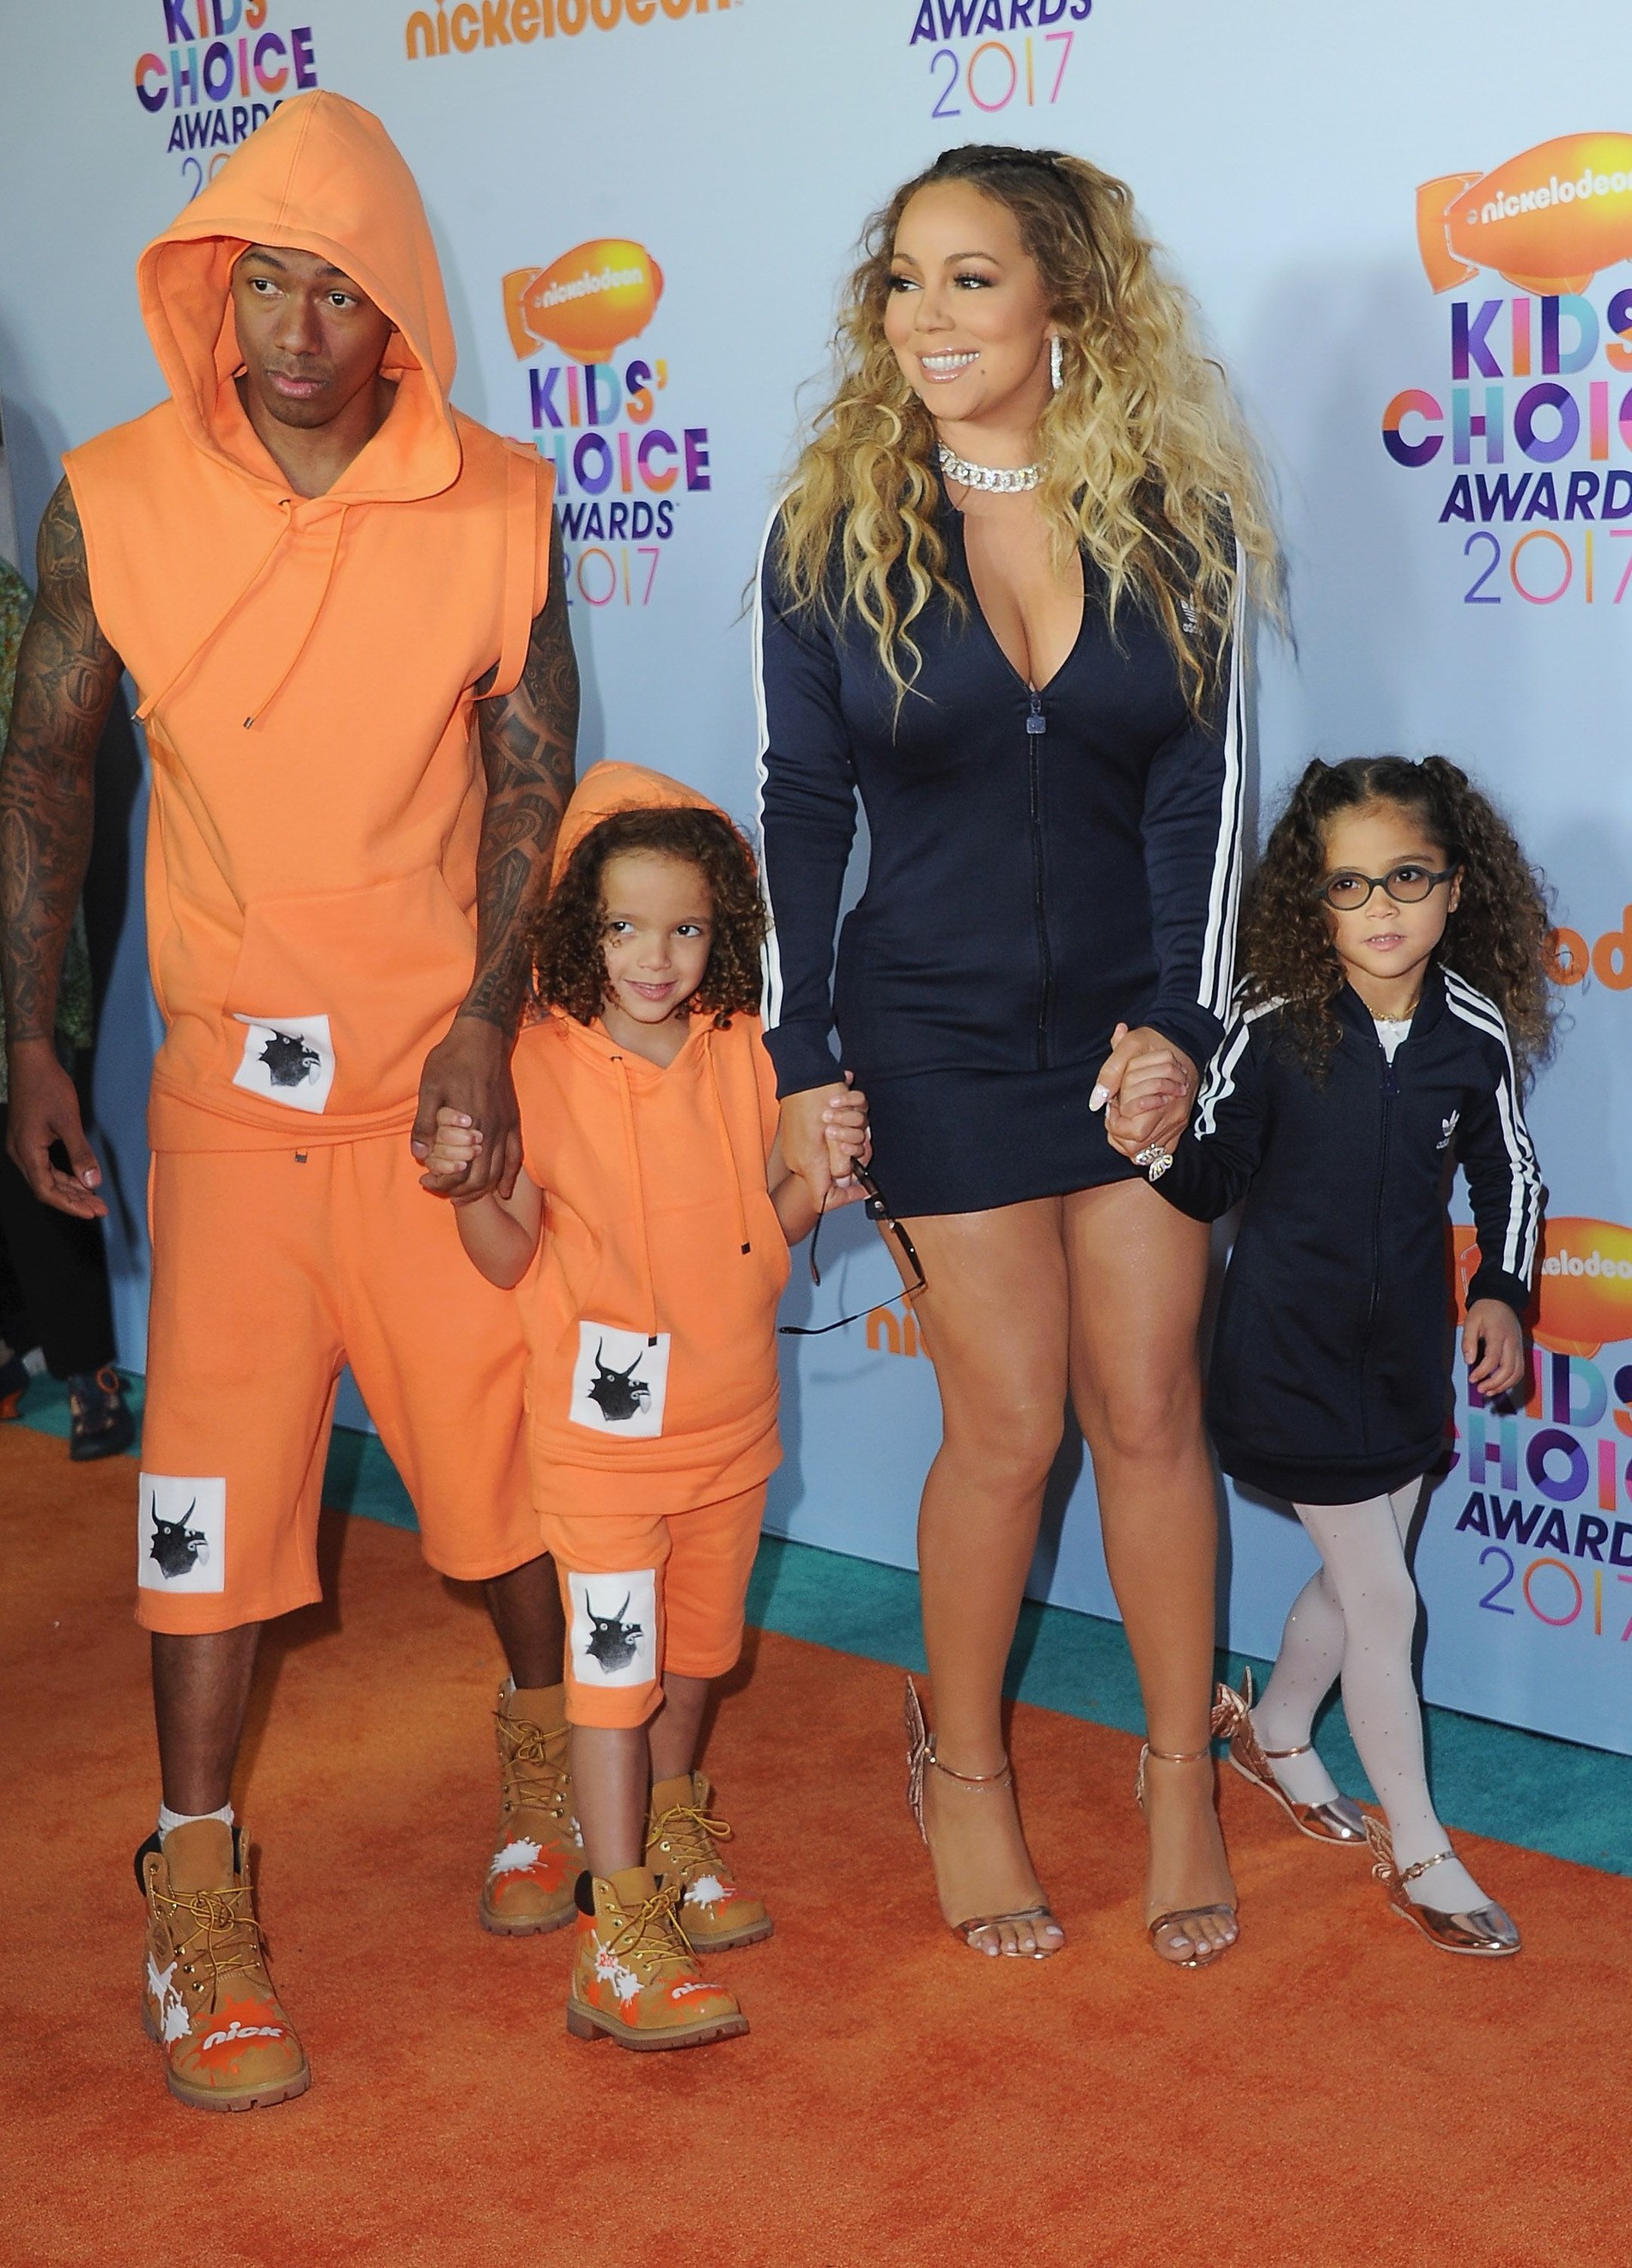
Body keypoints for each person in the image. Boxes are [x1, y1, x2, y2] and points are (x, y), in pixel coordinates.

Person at [0, 94, 581, 2111]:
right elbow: (46, 768)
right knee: (206, 1503)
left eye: (339, 288)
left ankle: (549, 1755)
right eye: (263, 284)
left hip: (436, 1099)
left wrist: (492, 1024)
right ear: (211, 291)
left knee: (499, 1477)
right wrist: (29, 1034)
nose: (300, 329)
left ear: (397, 301)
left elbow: (532, 781)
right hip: (229, 1112)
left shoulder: (500, 502)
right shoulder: (111, 499)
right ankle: (194, 1887)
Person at [756, 143, 1276, 1966]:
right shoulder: (832, 532)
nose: (925, 317)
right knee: (1004, 1424)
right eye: (902, 280)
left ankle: (1177, 1774)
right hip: (933, 1038)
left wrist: (1182, 1028)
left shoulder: (1172, 523)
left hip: (1131, 1031)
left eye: (969, 278)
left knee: (1148, 1410)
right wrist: (799, 1057)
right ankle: (963, 1768)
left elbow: (1206, 796)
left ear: (1067, 298)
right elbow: (800, 807)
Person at [424, 761, 870, 2049]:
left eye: (686, 929)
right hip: (600, 1451)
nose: (656, 959)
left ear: (723, 930)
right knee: (613, 1679)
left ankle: (672, 1827)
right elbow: (508, 1256)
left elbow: (762, 1234)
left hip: (732, 1433)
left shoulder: (749, 1054)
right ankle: (613, 1927)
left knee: (696, 1657)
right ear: (579, 927)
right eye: (624, 927)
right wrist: (467, 1186)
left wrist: (820, 1181)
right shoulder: (530, 1061)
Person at [1143, 755, 1550, 1957]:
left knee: (1361, 1574)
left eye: (1407, 878)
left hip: (1404, 1357)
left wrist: (1502, 1294)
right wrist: (1150, 1144)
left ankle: (1276, 1730)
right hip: (1285, 1353)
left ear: (1457, 887)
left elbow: (1511, 1176)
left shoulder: (1471, 1030)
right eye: (1348, 884)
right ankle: (1419, 1848)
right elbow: (1213, 1175)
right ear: (1309, 900)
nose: (1380, 909)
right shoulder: (1273, 1020)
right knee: (1382, 1594)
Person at [0, 553, 132, 1459]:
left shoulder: (10, 605)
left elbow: (49, 770)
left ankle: (92, 1375)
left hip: (22, 940)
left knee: (42, 1144)